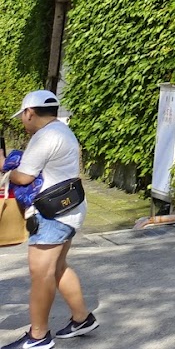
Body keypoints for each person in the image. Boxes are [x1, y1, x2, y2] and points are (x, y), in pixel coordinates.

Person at [2, 90, 97, 348]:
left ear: (29, 112)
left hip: (52, 214)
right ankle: (82, 318)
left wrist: (7, 171)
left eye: (23, 116)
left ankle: (38, 337)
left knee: (41, 273)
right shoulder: (62, 130)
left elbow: (24, 177)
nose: (23, 121)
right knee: (57, 267)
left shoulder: (45, 137)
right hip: (69, 209)